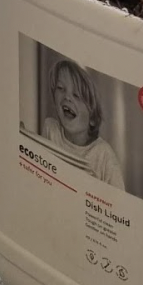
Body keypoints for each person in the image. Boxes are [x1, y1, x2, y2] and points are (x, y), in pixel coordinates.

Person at [42, 58, 125, 190]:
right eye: (61, 88)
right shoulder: (50, 129)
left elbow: (119, 203)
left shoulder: (104, 156)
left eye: (77, 95)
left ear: (92, 118)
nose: (67, 97)